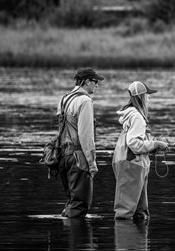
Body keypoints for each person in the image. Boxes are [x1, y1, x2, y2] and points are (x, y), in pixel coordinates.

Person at [112, 81, 168, 221]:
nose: (149, 98)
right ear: (141, 97)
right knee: (125, 213)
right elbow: (134, 144)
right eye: (148, 95)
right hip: (131, 166)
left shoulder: (131, 115)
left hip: (131, 164)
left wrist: (151, 146)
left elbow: (134, 142)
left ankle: (139, 242)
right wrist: (155, 144)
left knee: (140, 212)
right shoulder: (137, 116)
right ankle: (127, 239)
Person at [57, 68, 104, 218]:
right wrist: (92, 163)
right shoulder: (85, 101)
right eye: (95, 82)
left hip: (63, 156)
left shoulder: (64, 99)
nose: (97, 85)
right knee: (80, 205)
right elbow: (85, 135)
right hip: (78, 157)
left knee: (72, 202)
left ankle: (69, 235)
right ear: (87, 82)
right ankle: (80, 241)